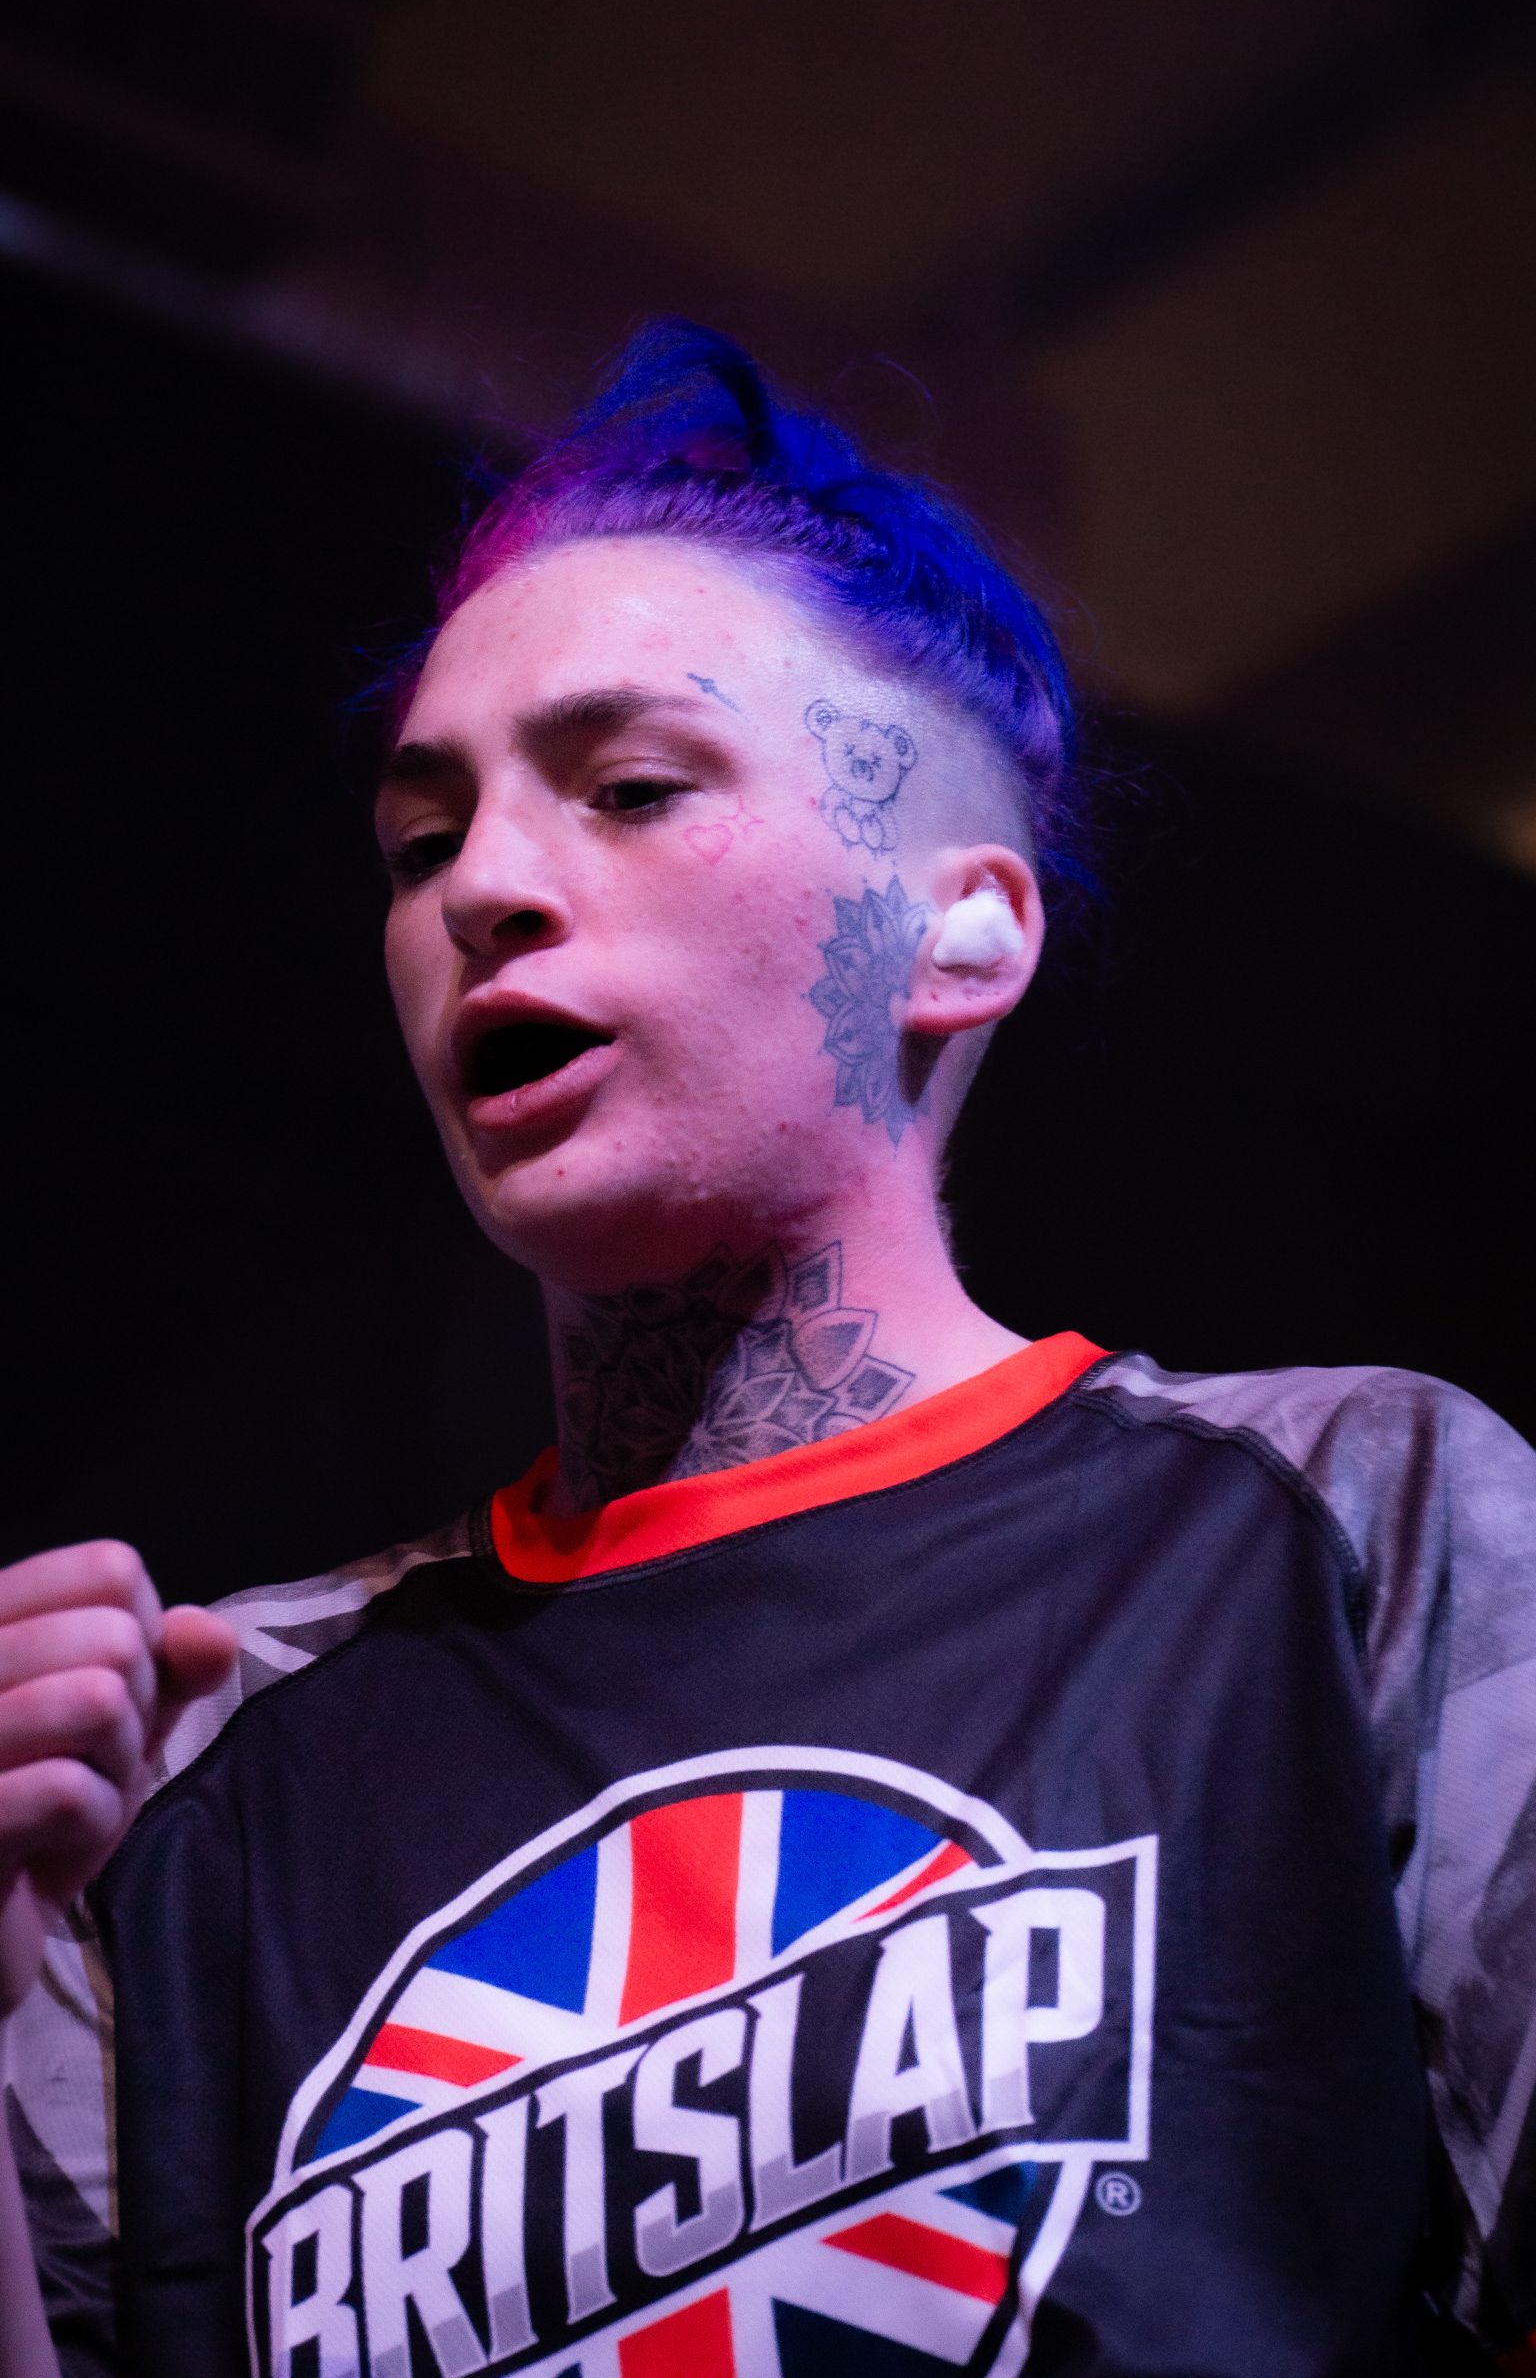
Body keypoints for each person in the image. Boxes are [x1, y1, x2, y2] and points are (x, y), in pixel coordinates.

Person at [1, 321, 1532, 2378]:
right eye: (420, 837)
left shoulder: (1346, 1527)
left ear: (963, 929)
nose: (485, 889)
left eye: (630, 787)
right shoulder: (196, 1764)